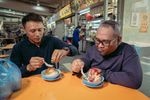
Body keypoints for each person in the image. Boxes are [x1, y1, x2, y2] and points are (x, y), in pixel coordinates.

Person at [71, 20, 143, 89]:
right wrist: (81, 63)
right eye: (97, 40)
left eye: (105, 42)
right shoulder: (93, 48)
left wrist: (103, 73)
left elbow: (134, 80)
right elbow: (87, 60)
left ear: (119, 40)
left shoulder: (127, 51)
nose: (99, 46)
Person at [10, 13, 78, 77]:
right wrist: (28, 67)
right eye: (32, 31)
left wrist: (66, 50)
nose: (37, 34)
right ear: (25, 30)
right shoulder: (18, 47)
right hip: (32, 82)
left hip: (52, 77)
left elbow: (74, 49)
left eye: (40, 30)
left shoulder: (51, 40)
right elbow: (12, 73)